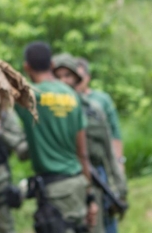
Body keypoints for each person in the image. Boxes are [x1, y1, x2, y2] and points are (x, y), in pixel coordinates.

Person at [14, 42, 97, 232]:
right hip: (77, 183)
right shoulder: (72, 95)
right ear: (52, 64)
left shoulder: (29, 97)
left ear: (27, 67)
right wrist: (90, 195)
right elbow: (82, 153)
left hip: (54, 191)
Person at [54, 54, 126, 233]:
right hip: (62, 183)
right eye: (58, 76)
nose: (63, 81)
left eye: (67, 76)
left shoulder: (93, 110)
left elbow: (108, 148)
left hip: (94, 177)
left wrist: (119, 184)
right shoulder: (48, 110)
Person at [75, 58, 125, 173]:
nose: (76, 80)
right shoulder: (68, 100)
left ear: (88, 77)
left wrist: (119, 161)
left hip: (102, 160)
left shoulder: (102, 99)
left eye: (80, 76)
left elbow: (114, 131)